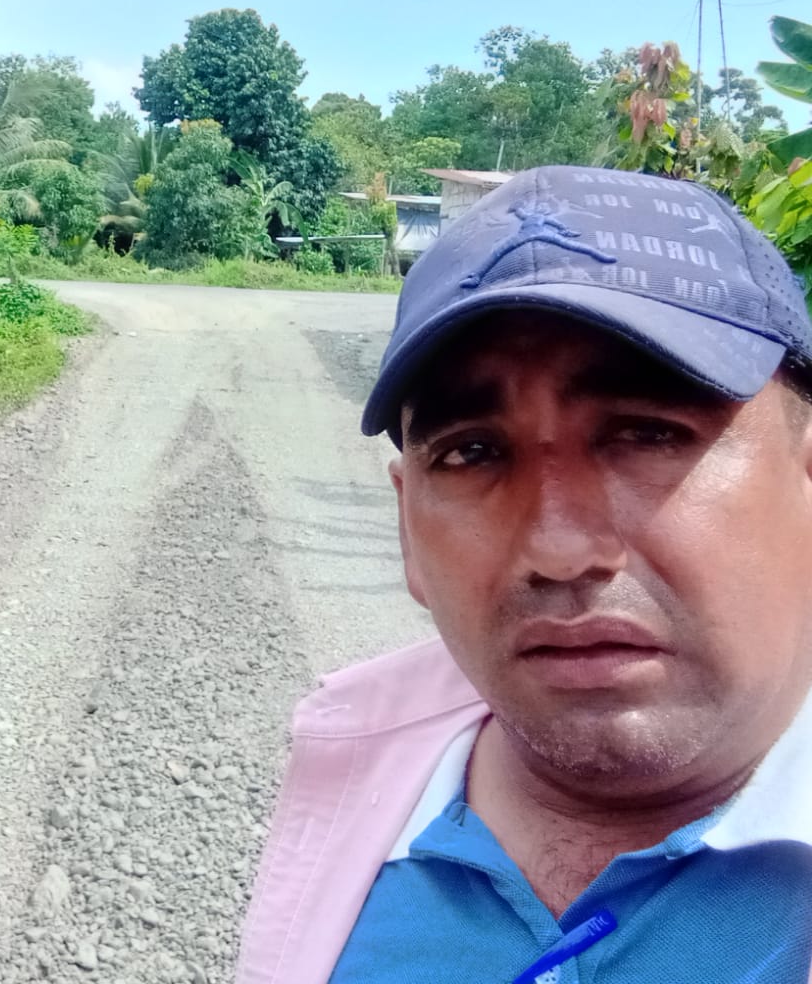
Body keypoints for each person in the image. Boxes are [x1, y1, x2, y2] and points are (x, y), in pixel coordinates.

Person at [237, 165, 812, 983]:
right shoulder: (361, 778)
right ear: (407, 527)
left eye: (648, 434)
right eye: (472, 452)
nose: (559, 550)